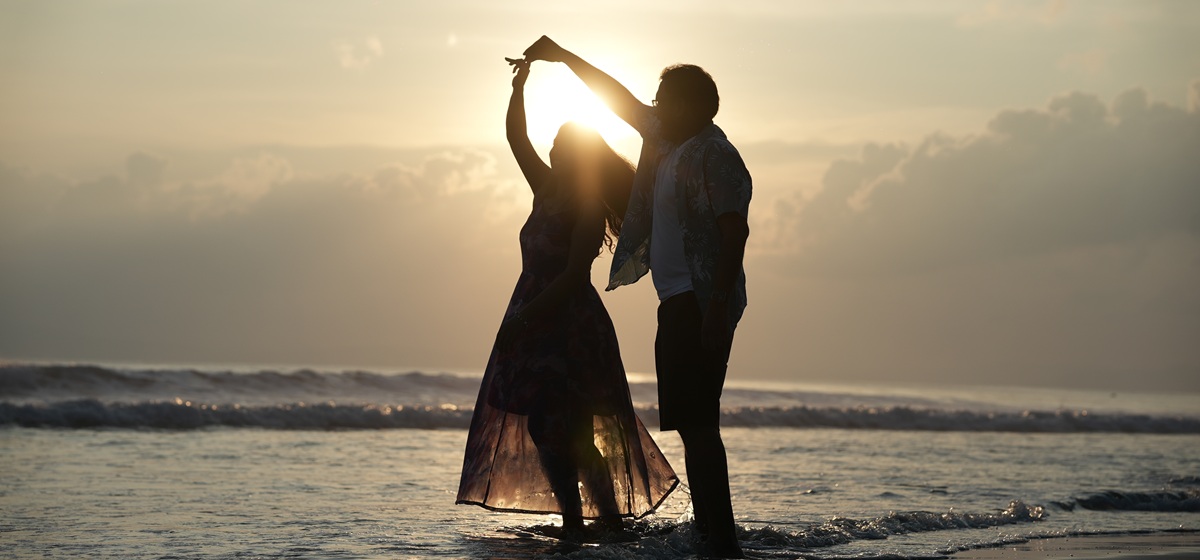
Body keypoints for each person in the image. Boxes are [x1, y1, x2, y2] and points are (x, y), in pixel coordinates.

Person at [522, 36, 752, 558]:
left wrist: (717, 306)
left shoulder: (716, 155)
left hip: (702, 298)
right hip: (675, 298)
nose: (654, 105)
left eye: (664, 98)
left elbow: (734, 232)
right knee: (690, 426)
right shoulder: (666, 141)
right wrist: (562, 55)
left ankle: (725, 542)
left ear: (693, 105)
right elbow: (618, 98)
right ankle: (711, 533)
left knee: (700, 424)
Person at [455, 57, 679, 542]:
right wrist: (520, 87)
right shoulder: (546, 190)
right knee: (544, 424)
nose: (553, 149)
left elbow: (576, 273)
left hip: (568, 321)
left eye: (561, 144)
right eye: (553, 143)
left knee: (567, 426)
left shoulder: (586, 204)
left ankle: (600, 522)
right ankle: (583, 521)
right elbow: (517, 138)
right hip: (534, 316)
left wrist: (525, 319)